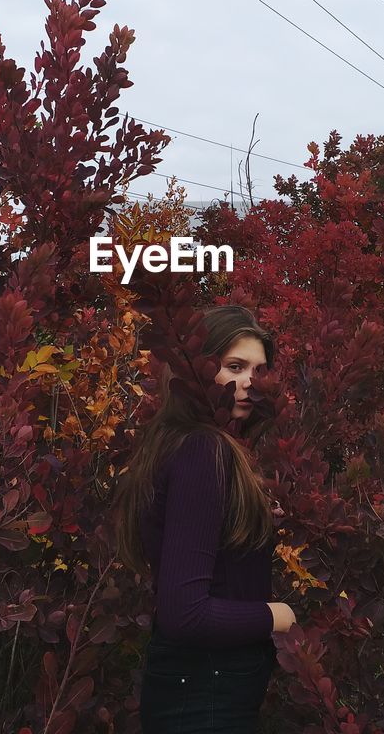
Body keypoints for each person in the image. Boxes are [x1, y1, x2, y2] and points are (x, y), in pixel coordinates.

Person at [113, 304, 298, 733]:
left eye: (259, 370)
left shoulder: (192, 447)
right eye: (234, 366)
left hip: (201, 688)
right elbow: (185, 612)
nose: (249, 383)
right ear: (198, 369)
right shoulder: (204, 450)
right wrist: (278, 615)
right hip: (204, 697)